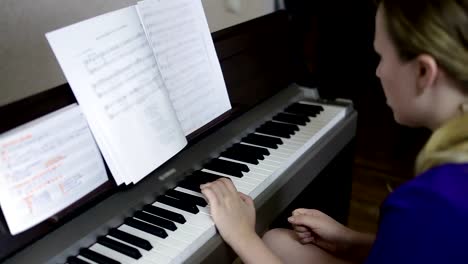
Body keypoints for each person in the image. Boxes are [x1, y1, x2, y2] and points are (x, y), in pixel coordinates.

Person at [200, 0, 468, 263]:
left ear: (423, 72)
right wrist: (351, 241)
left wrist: (242, 235)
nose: (378, 72)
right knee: (278, 242)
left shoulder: (433, 202)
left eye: (382, 57)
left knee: (263, 244)